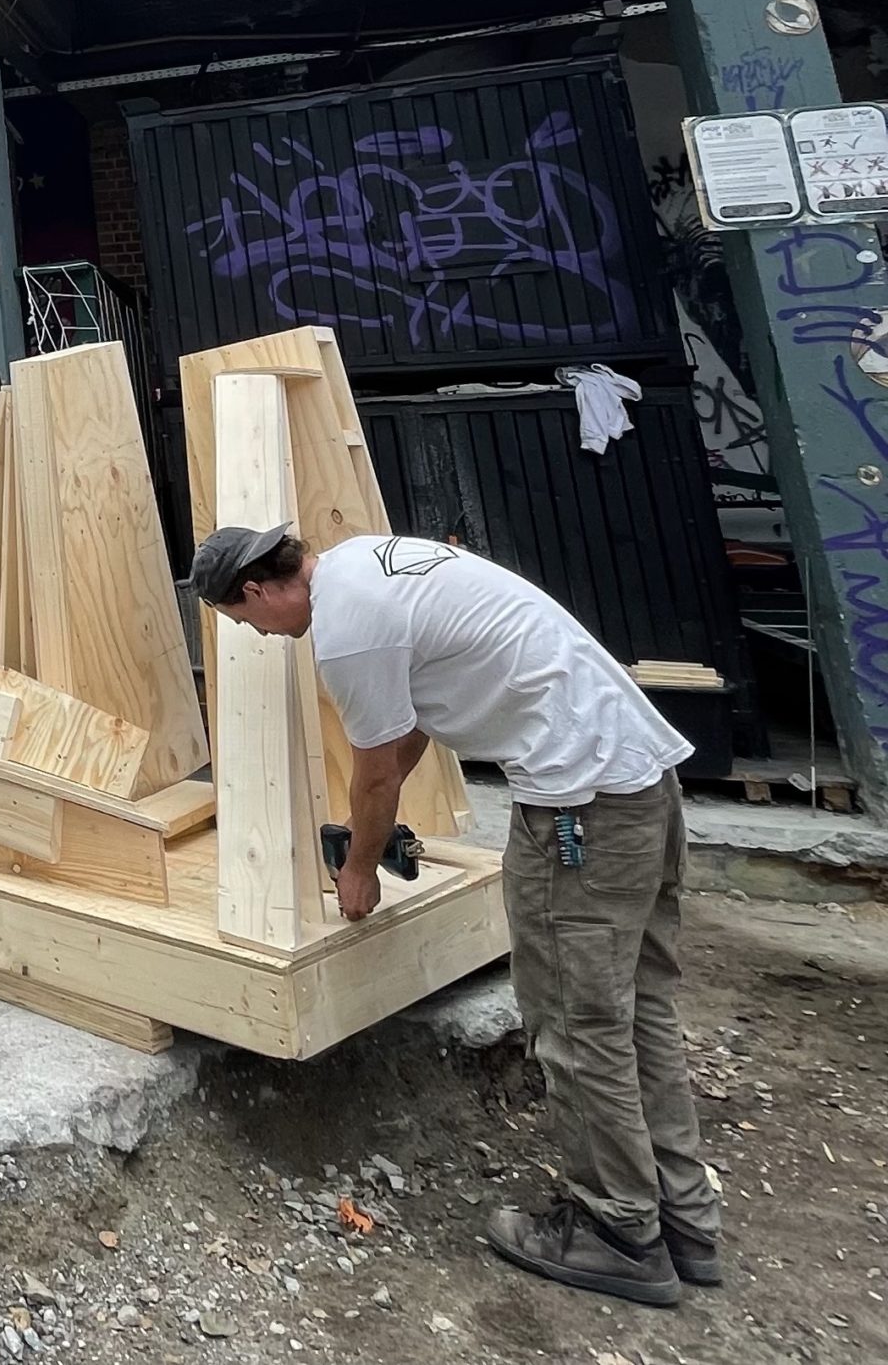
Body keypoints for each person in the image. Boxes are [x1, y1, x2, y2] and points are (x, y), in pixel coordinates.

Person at [190, 523, 716, 1309]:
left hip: (578, 812)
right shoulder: (371, 565)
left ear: (260, 591)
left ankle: (618, 1232)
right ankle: (684, 1222)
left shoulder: (345, 633)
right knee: (636, 1014)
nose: (258, 636)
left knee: (576, 1026)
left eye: (244, 622)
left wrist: (360, 866)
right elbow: (409, 730)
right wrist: (367, 820)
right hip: (637, 788)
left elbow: (375, 778)